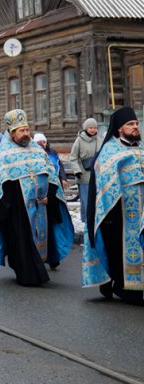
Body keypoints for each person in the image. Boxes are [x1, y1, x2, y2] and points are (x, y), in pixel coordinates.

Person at [0, 110, 74, 286]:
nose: (25, 134)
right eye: (21, 130)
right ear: (12, 133)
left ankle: (36, 269)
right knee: (21, 243)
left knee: (40, 240)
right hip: (17, 210)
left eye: (26, 129)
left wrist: (51, 196)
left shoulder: (38, 151)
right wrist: (4, 210)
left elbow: (52, 175)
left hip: (41, 207)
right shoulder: (4, 155)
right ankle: (29, 275)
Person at [83, 107, 144, 304]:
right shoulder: (109, 151)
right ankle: (124, 288)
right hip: (121, 215)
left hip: (141, 213)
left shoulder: (141, 148)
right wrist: (110, 214)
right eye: (130, 124)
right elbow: (103, 186)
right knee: (121, 252)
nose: (135, 127)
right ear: (119, 129)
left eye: (136, 124)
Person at [69, 118, 103, 224]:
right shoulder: (79, 140)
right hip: (84, 175)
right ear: (86, 128)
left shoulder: (100, 139)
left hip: (97, 174)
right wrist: (77, 171)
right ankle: (87, 222)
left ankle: (96, 221)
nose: (93, 130)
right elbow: (73, 157)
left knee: (97, 200)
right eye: (90, 127)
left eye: (95, 127)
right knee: (86, 201)